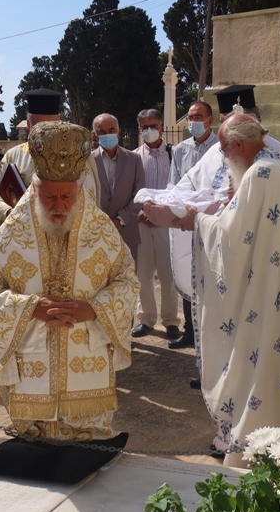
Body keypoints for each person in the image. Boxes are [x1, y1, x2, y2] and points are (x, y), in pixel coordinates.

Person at [0, 122, 139, 441]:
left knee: (89, 459)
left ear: (80, 190)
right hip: (31, 361)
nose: (59, 205)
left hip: (86, 359)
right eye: (50, 196)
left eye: (67, 196)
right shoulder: (12, 234)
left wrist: (93, 309)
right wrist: (29, 308)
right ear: (34, 189)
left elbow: (128, 283)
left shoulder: (100, 229)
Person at [176, 115, 280, 465]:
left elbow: (232, 237)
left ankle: (251, 443)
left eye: (224, 149)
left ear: (238, 146)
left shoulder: (258, 174)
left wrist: (195, 220)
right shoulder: (278, 169)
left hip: (267, 295)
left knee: (262, 365)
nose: (224, 157)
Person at [0, 89, 99, 244]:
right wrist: (7, 212)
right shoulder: (14, 155)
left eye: (51, 126)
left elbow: (88, 200)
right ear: (28, 125)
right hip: (23, 239)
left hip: (66, 237)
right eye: (40, 127)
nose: (46, 134)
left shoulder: (77, 155)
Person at [165, 100, 218, 350]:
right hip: (185, 222)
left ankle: (211, 333)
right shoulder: (180, 149)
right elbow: (173, 185)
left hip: (212, 220)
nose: (193, 122)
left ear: (210, 120)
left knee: (210, 276)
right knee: (188, 273)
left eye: (198, 117)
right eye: (190, 117)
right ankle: (190, 331)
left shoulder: (221, 147)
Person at [132, 108, 180, 341]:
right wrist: (140, 213)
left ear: (161, 126)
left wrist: (164, 213)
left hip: (167, 223)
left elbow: (180, 187)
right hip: (141, 222)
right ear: (139, 128)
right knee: (143, 273)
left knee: (168, 273)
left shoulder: (173, 154)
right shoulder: (133, 156)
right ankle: (146, 318)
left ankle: (171, 320)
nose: (149, 130)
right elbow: (130, 190)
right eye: (144, 127)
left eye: (153, 125)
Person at [91, 113, 144, 262]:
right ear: (95, 135)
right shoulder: (88, 162)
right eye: (102, 131)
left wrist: (120, 220)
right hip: (96, 234)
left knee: (128, 282)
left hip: (127, 233)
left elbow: (139, 194)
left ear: (119, 132)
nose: (107, 134)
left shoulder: (134, 159)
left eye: (111, 130)